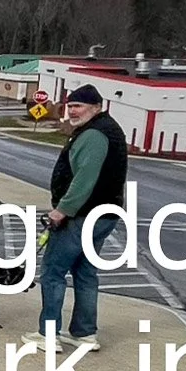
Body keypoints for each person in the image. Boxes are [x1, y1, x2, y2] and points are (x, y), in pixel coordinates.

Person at [26, 84, 128, 348]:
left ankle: (48, 335)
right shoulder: (109, 130)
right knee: (84, 272)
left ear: (96, 107)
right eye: (70, 106)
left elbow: (85, 179)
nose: (72, 111)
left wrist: (62, 211)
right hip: (105, 214)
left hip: (82, 216)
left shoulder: (95, 135)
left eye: (78, 106)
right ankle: (84, 333)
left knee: (52, 272)